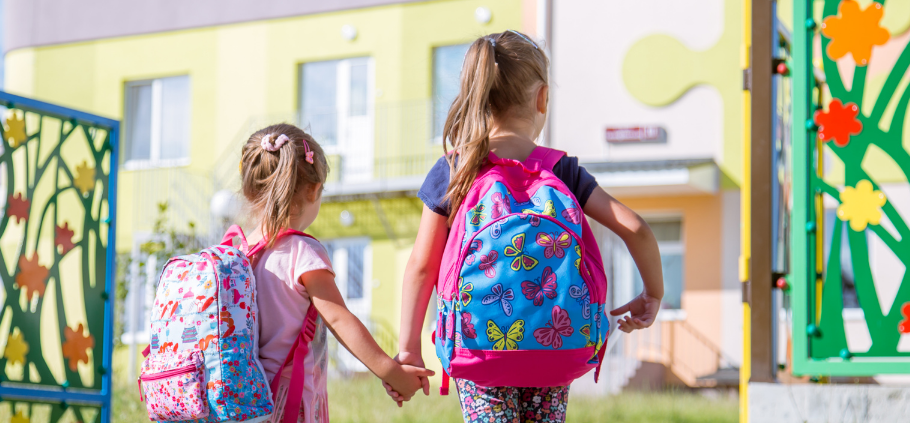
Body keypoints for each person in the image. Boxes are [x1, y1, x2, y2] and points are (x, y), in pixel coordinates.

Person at [387, 30, 666, 422]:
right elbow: (634, 227)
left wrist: (409, 348)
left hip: (478, 347)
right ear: (542, 99)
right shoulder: (563, 171)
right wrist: (653, 292)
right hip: (555, 343)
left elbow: (421, 265)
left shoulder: (456, 169)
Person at [240, 123, 433, 423]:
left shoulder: (239, 253)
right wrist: (394, 374)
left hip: (246, 401)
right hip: (292, 403)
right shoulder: (303, 252)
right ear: (315, 190)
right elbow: (341, 320)